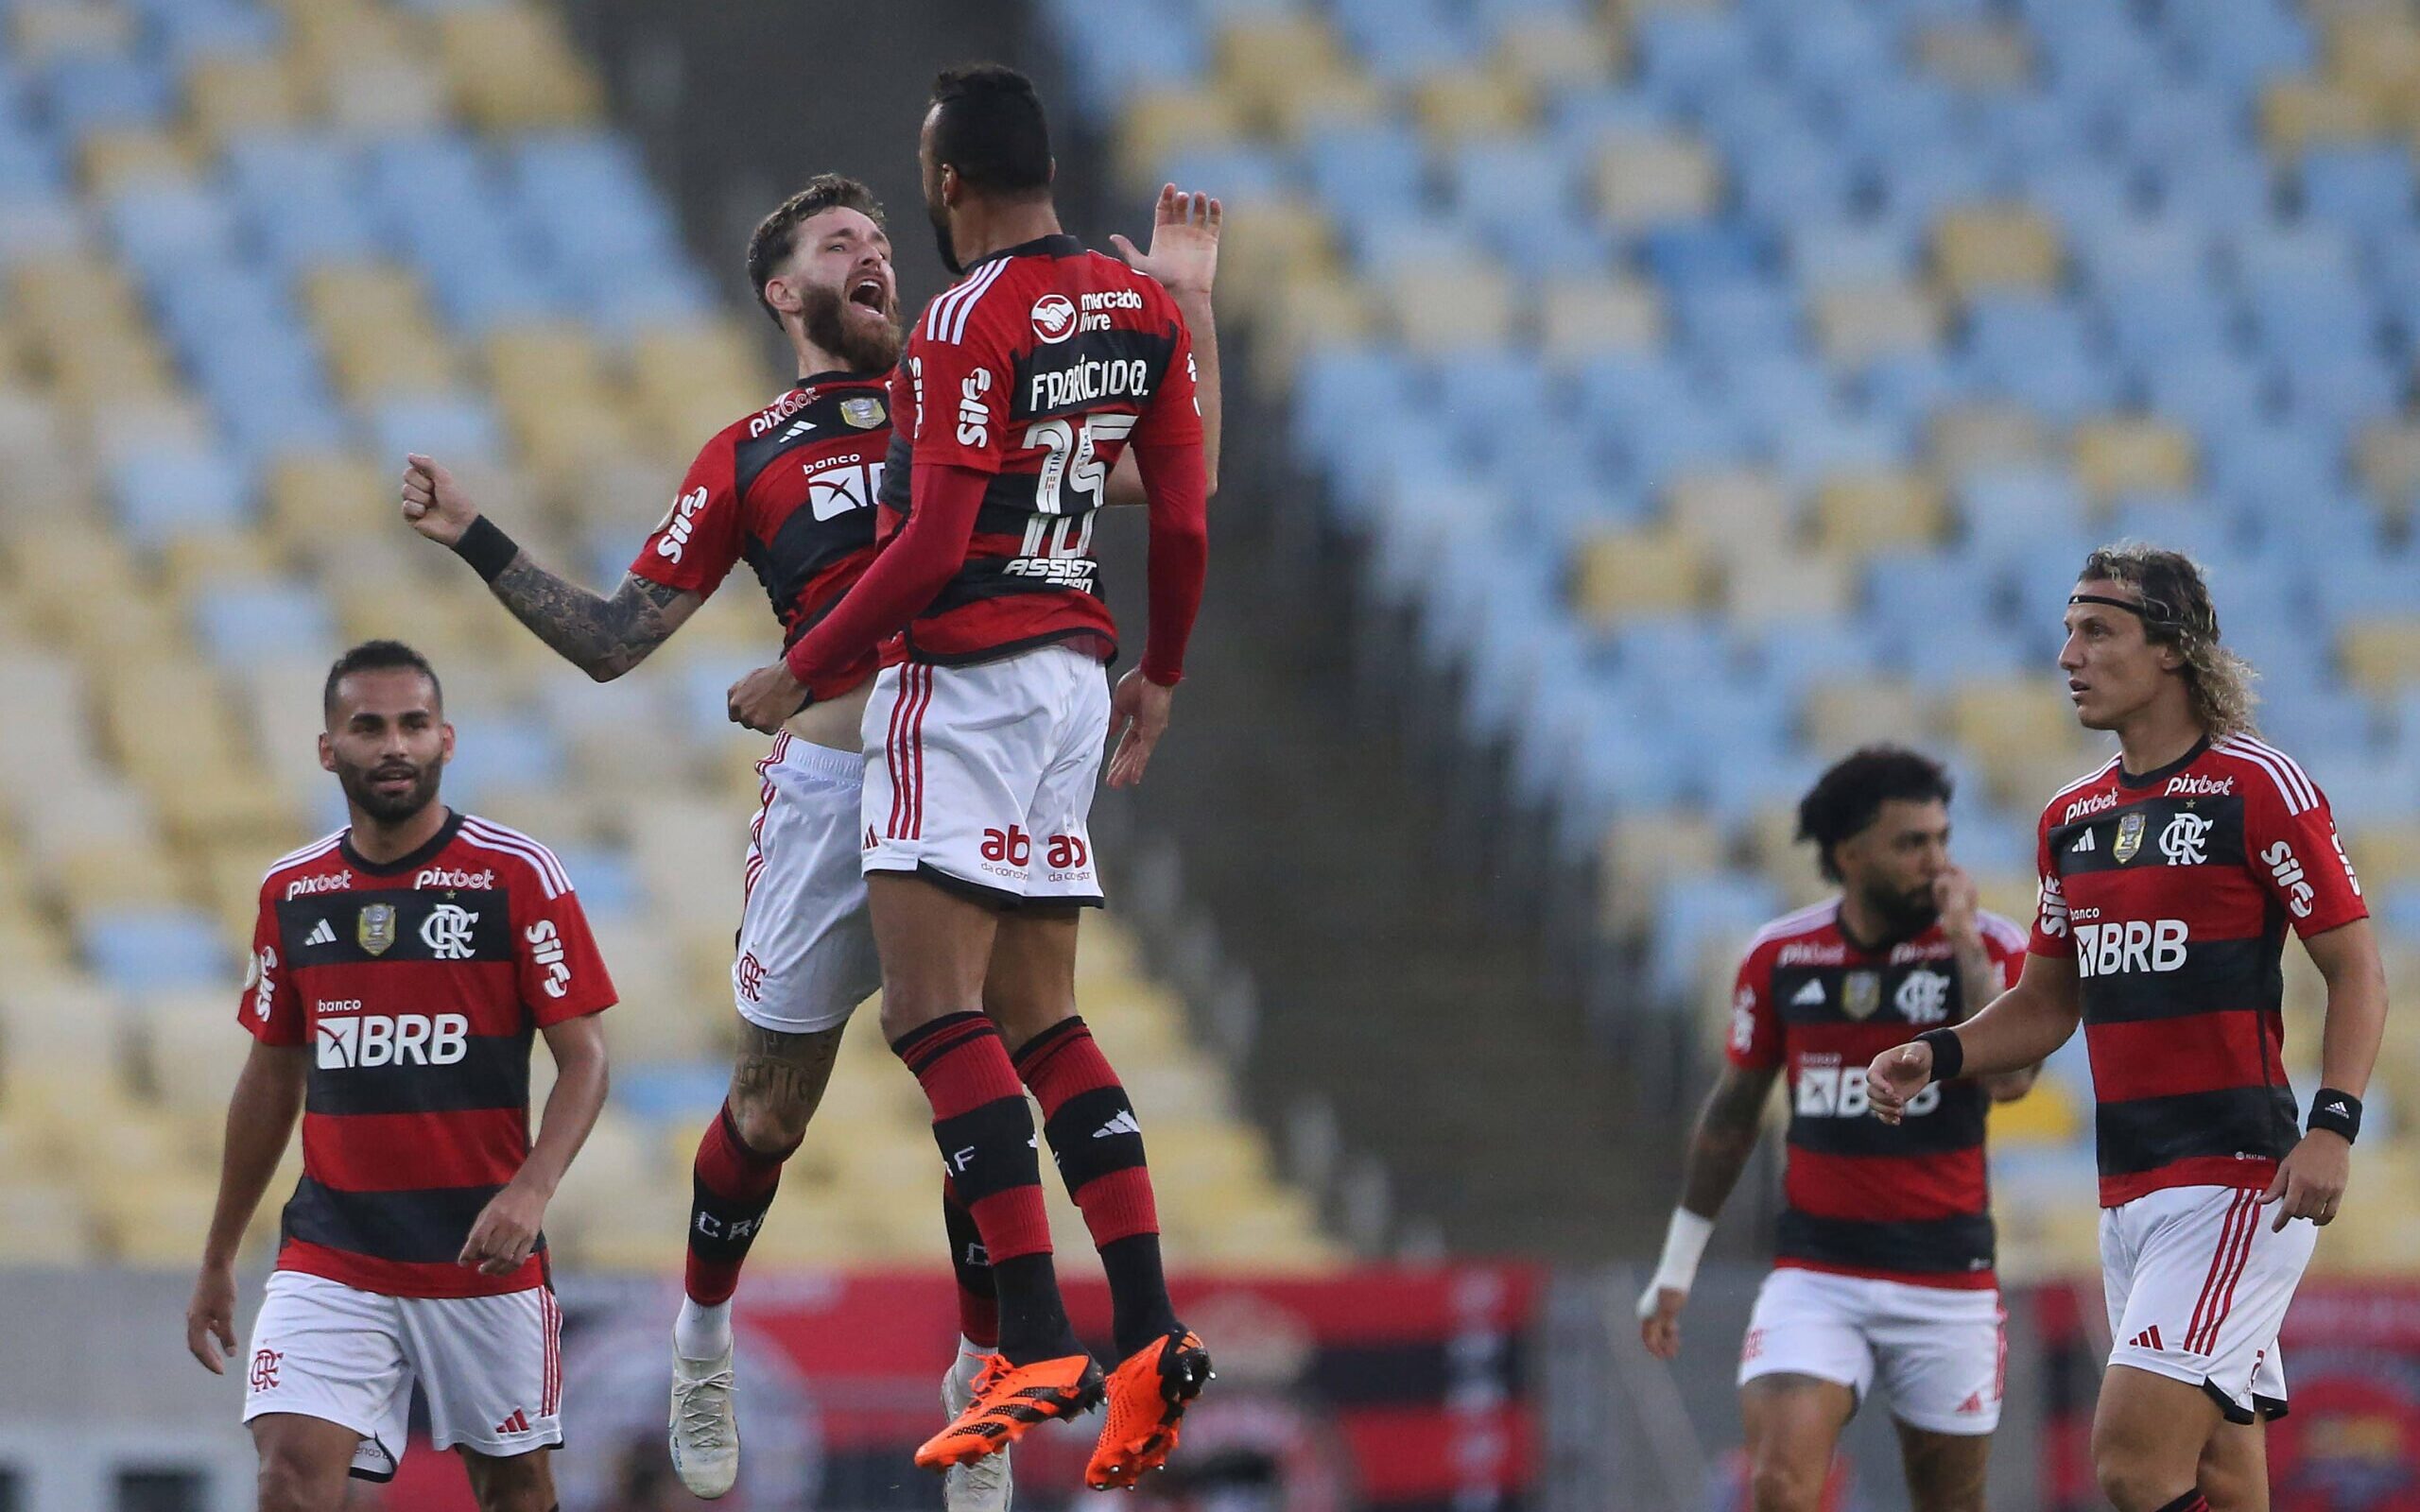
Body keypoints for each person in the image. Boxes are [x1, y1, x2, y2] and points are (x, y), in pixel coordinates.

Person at [401, 173, 1219, 1506]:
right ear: (785, 292)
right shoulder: (747, 453)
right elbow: (616, 640)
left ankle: (983, 1370)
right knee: (772, 1111)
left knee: (986, 1060)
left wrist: (1189, 310)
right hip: (838, 778)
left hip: (965, 739)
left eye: (885, 241)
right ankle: (704, 1334)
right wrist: (476, 539)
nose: (877, 256)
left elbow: (1173, 467)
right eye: (844, 245)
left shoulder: (979, 377)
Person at [724, 63, 1214, 1490]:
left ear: (947, 184)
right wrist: (1163, 677)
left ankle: (1037, 1338)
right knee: (1046, 1024)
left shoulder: (960, 320)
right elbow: (1179, 514)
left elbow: (932, 548)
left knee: (934, 1022)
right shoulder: (1141, 311)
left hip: (969, 679)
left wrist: (804, 664)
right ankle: (1149, 1324)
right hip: (1075, 674)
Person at [1867, 545, 2388, 1512]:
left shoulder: (2257, 786)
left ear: (2171, 651)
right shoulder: (2073, 818)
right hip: (2128, 1195)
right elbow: (2045, 1001)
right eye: (2066, 628)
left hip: (2234, 1180)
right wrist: (1934, 1053)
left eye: (2096, 629)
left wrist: (2334, 1123)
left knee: (2129, 1464)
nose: (2067, 652)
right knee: (2220, 1478)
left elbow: (2354, 967)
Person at [183, 640, 614, 1512]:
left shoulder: (514, 876)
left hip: (478, 1257)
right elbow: (270, 1078)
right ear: (327, 747)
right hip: (332, 1250)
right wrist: (221, 1252)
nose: (394, 745)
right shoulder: (292, 893)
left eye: (414, 725)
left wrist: (530, 1193)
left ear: (447, 741)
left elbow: (586, 1061)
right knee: (288, 1474)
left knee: (517, 1491)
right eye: (368, 726)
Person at [1637, 747, 2034, 1512]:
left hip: (1947, 1278)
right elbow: (1731, 1117)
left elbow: (2012, 1080)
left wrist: (1961, 946)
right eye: (1911, 843)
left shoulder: (1991, 947)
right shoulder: (1782, 957)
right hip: (1819, 1276)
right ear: (1850, 855)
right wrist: (1677, 1263)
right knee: (1779, 1484)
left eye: (1942, 839)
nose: (1937, 861)